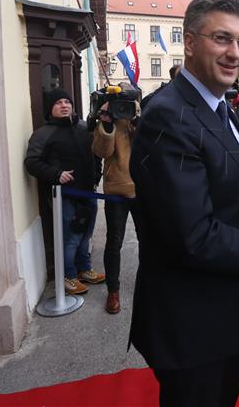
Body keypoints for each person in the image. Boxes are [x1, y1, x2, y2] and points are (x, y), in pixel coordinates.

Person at [128, 0, 239, 407]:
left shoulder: (219, 107)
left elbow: (224, 183)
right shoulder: (170, 115)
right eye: (222, 38)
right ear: (189, 42)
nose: (235, 53)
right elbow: (193, 235)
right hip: (193, 325)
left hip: (223, 317)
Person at [25, 88, 105, 295]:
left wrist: (96, 177)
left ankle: (84, 269)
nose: (64, 105)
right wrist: (56, 174)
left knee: (85, 235)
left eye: (67, 102)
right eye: (59, 102)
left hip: (89, 192)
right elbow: (32, 163)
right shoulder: (43, 134)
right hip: (65, 196)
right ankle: (68, 276)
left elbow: (96, 155)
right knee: (70, 239)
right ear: (51, 108)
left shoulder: (84, 127)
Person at [91, 84, 140, 314]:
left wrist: (139, 123)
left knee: (149, 239)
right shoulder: (108, 117)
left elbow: (153, 148)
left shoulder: (137, 115)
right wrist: (107, 124)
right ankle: (113, 290)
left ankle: (151, 283)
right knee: (114, 242)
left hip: (142, 189)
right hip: (117, 189)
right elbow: (101, 152)